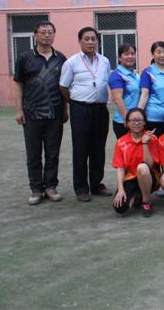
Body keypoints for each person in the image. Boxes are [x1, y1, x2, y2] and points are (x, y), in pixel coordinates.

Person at [14, 20, 67, 205]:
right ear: (35, 35)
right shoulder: (25, 58)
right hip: (31, 113)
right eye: (43, 32)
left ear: (54, 35)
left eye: (50, 32)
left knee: (53, 153)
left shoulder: (61, 58)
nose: (46, 35)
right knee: (33, 153)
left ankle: (51, 187)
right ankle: (36, 189)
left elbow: (64, 87)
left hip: (55, 114)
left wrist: (65, 110)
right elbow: (19, 85)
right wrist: (19, 110)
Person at [59, 27, 111, 202]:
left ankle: (96, 184)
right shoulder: (72, 62)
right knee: (81, 149)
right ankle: (81, 187)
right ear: (80, 41)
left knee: (98, 148)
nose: (90, 42)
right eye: (86, 39)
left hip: (100, 109)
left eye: (93, 39)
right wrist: (74, 102)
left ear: (97, 41)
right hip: (80, 109)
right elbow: (63, 86)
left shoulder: (105, 61)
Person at [111, 108, 162, 217]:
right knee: (120, 207)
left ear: (144, 122)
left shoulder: (152, 138)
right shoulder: (121, 142)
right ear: (127, 123)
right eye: (133, 120)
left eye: (139, 120)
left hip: (149, 176)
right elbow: (120, 168)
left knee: (142, 167)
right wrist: (120, 189)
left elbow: (150, 164)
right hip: (131, 178)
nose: (136, 123)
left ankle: (146, 202)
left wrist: (145, 143)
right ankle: (137, 194)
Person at [138, 41, 164, 137]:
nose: (162, 55)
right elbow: (144, 95)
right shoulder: (147, 72)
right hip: (153, 118)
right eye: (158, 52)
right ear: (152, 54)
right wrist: (138, 115)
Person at [109, 43, 140, 138]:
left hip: (137, 120)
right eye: (126, 54)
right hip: (123, 122)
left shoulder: (135, 74)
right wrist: (127, 120)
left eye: (132, 54)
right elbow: (117, 99)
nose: (130, 56)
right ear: (119, 58)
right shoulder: (117, 75)